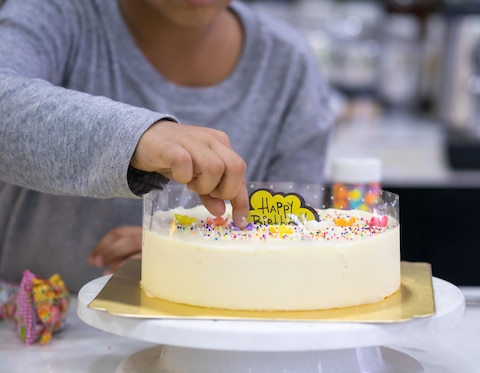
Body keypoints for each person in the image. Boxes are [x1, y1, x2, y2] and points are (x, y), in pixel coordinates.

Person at [0, 0, 335, 292]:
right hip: (37, 341)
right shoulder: (59, 13)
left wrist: (191, 255)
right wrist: (142, 136)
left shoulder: (288, 63)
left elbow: (295, 245)